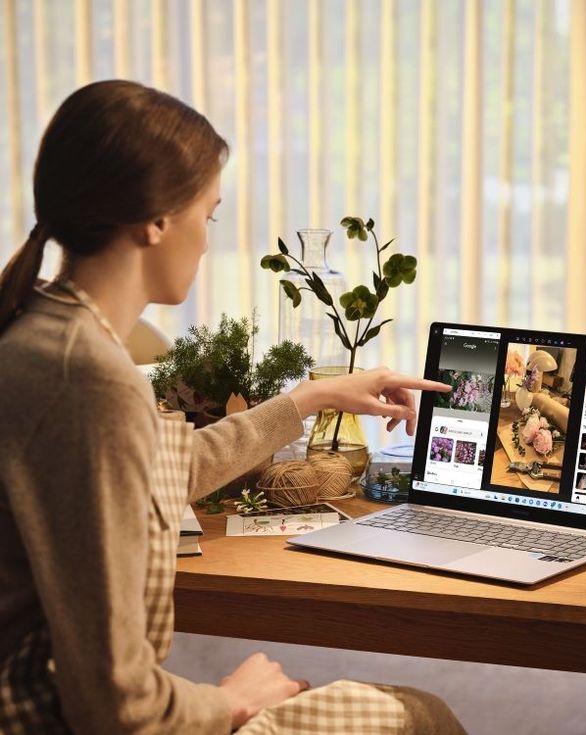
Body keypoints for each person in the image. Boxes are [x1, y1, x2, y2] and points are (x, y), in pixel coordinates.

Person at [0, 80, 464, 734]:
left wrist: (311, 397)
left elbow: (162, 472)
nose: (207, 240)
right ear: (156, 221)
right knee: (419, 715)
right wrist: (231, 701)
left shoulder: (43, 330)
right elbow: (117, 706)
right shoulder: (89, 379)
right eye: (209, 215)